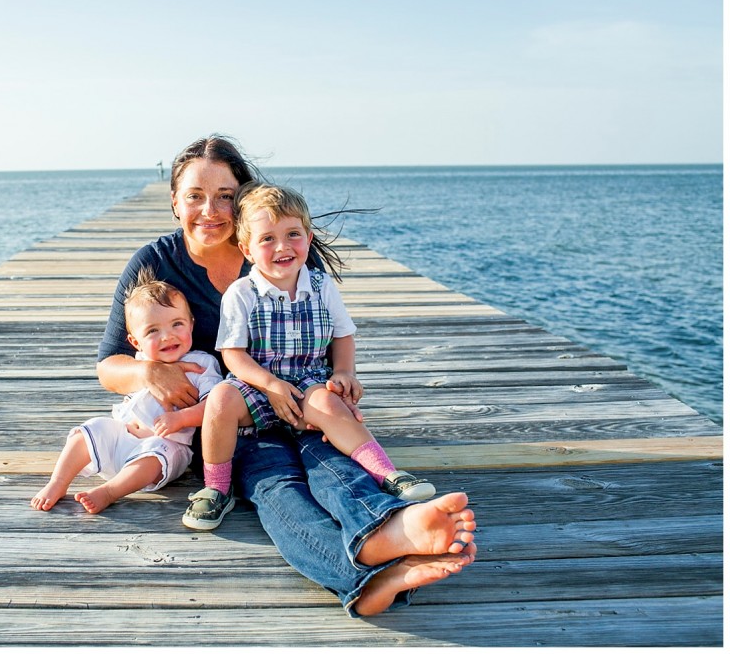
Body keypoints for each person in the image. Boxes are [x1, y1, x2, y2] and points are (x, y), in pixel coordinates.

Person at [96, 135, 476, 617]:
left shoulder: (281, 252)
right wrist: (151, 370)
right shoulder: (154, 264)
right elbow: (109, 364)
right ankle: (366, 576)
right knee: (277, 487)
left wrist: (339, 382)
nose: (209, 209)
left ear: (245, 200)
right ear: (175, 201)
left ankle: (389, 528)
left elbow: (329, 330)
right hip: (232, 420)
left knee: (332, 466)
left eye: (225, 196)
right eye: (194, 195)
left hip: (303, 398)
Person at [182, 182, 435, 532]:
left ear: (309, 237)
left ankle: (386, 472)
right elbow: (233, 355)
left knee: (332, 405)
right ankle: (217, 487)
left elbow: (343, 334)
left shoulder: (321, 286)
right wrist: (269, 384)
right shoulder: (242, 293)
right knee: (221, 400)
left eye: (293, 234)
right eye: (267, 239)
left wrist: (345, 372)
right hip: (257, 383)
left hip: (307, 380)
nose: (283, 247)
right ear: (247, 249)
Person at [31, 270, 221, 514]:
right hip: (122, 437)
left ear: (191, 325)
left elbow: (215, 407)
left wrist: (181, 418)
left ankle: (110, 491)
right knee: (92, 428)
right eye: (153, 331)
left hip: (164, 447)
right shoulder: (138, 363)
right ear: (135, 342)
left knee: (158, 452)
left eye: (177, 324)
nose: (167, 336)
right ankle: (57, 482)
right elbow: (110, 371)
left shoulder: (201, 364)